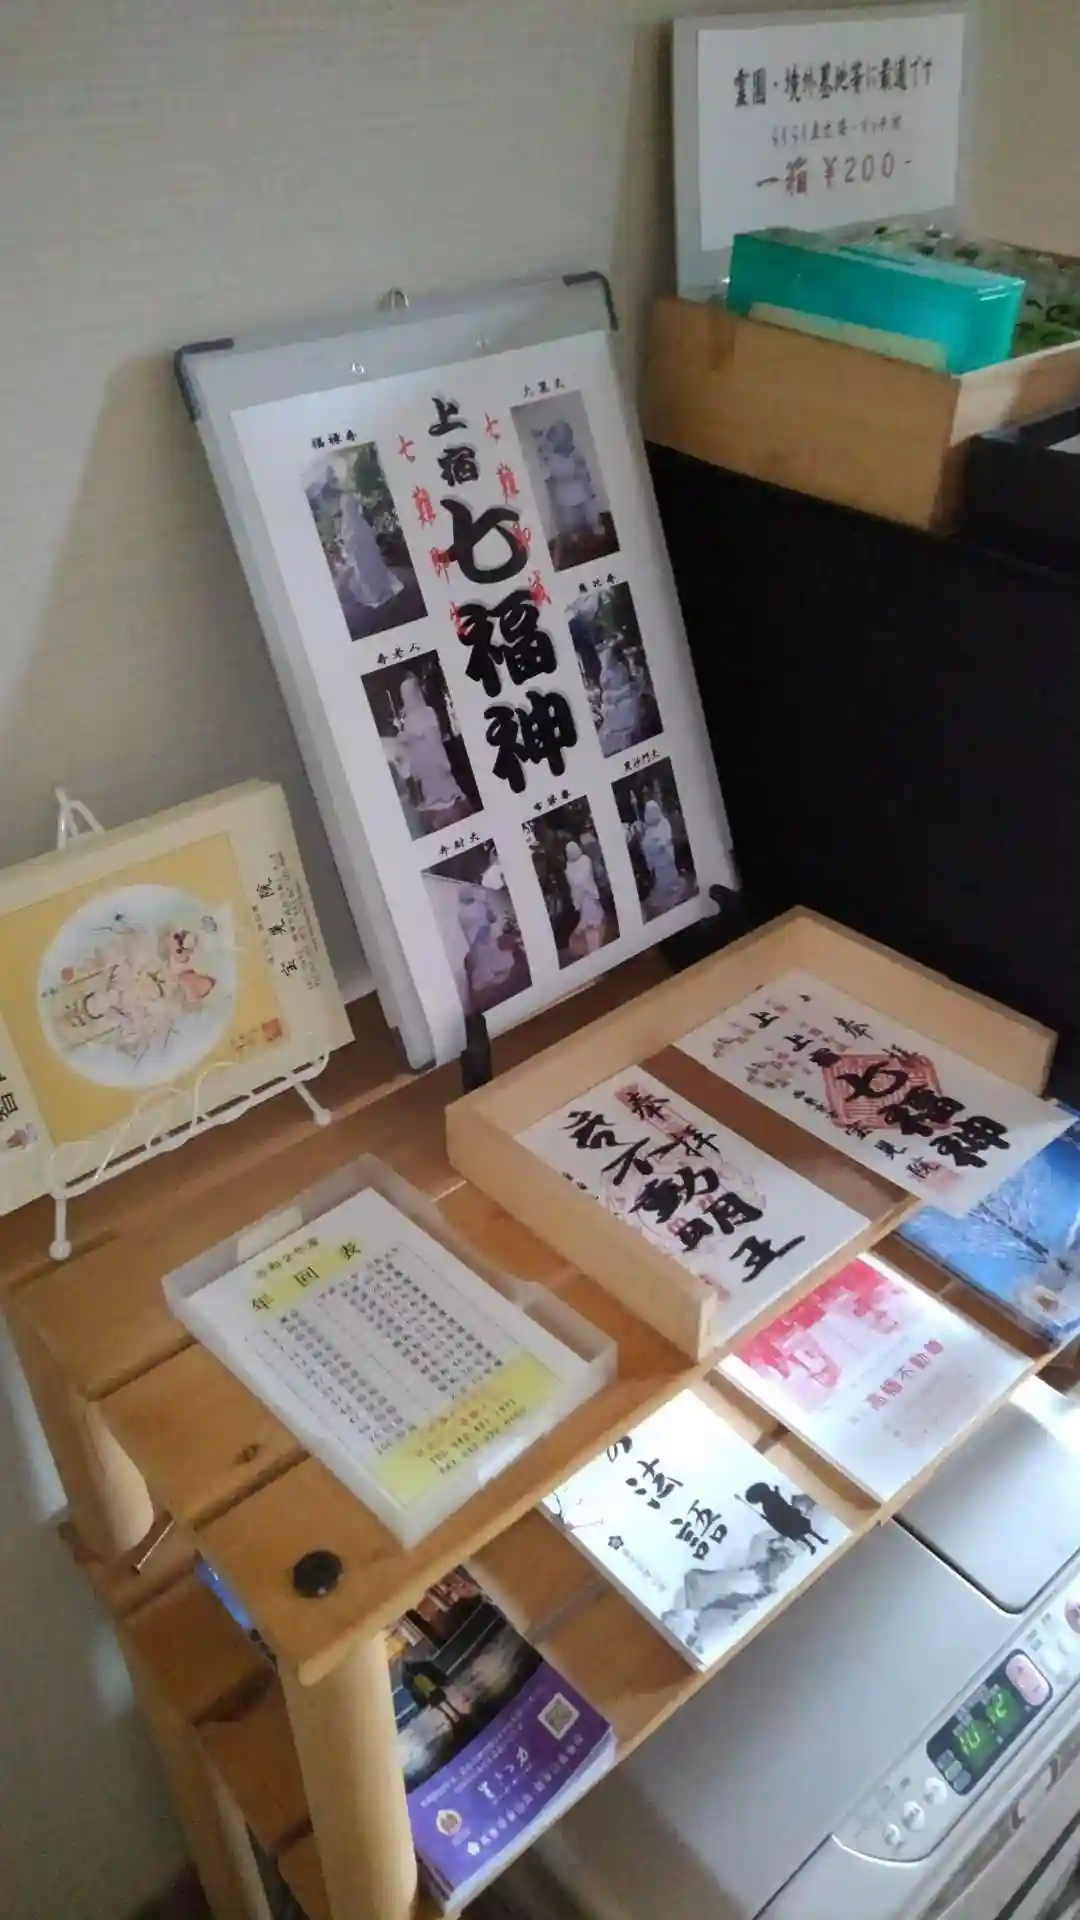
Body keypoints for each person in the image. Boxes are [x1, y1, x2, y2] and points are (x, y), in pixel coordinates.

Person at [397, 674, 466, 822]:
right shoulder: (426, 712)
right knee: (436, 776)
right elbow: (431, 735)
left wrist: (404, 736)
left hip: (426, 754)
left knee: (433, 777)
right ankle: (443, 797)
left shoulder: (414, 717)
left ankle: (440, 798)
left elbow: (416, 739)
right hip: (431, 754)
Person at [533, 420, 603, 550]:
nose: (564, 443)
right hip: (564, 494)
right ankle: (573, 535)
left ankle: (595, 527)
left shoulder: (577, 453)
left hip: (582, 490)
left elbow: (585, 470)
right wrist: (541, 456)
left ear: (570, 438)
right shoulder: (551, 459)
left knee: (590, 512)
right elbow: (545, 474)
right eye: (558, 437)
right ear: (553, 441)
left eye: (566, 437)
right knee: (569, 519)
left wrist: (585, 476)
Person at [337, 477, 403, 610]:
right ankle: (383, 596)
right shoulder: (355, 522)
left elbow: (351, 544)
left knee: (370, 576)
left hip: (363, 556)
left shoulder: (348, 525)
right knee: (374, 574)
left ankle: (380, 596)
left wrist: (349, 552)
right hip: (366, 555)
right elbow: (365, 537)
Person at [457, 882, 515, 1005]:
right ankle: (490, 981)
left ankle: (489, 978)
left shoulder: (461, 912)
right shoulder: (478, 906)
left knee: (485, 960)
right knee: (488, 962)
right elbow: (492, 918)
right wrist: (485, 902)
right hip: (483, 940)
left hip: (476, 942)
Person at [744, 1483, 829, 1555]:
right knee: (806, 1529)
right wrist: (777, 1490)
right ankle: (819, 1540)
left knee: (799, 1534)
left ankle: (812, 1545)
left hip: (786, 1521)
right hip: (791, 1515)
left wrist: (767, 1519)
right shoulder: (773, 1495)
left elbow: (774, 1518)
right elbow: (780, 1501)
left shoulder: (766, 1506)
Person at [564, 840, 607, 957]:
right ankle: (594, 948)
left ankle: (596, 945)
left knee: (595, 920)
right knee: (590, 923)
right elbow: (573, 881)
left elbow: (585, 876)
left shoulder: (585, 860)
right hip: (582, 898)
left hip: (589, 895)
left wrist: (580, 884)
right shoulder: (568, 867)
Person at [598, 645, 643, 755]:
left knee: (630, 701)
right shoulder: (605, 673)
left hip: (624, 694)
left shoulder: (621, 667)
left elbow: (626, 682)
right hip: (612, 695)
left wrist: (625, 690)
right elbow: (605, 688)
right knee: (608, 703)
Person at [640, 796, 681, 908]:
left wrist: (658, 843)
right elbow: (646, 842)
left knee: (670, 876)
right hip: (657, 861)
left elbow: (666, 839)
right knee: (661, 879)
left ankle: (674, 889)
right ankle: (666, 892)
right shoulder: (648, 828)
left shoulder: (663, 823)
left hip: (665, 857)